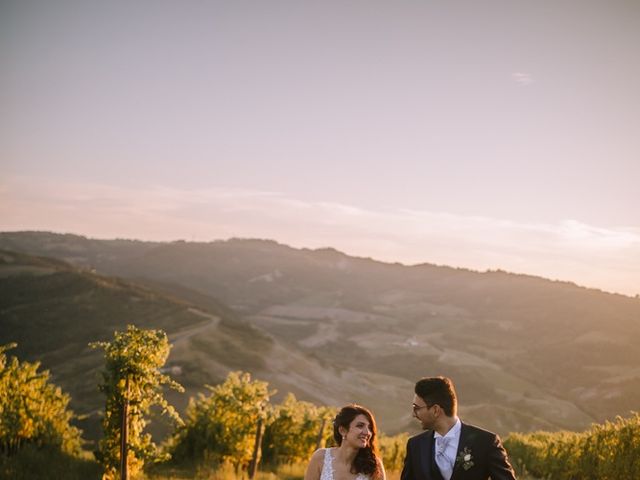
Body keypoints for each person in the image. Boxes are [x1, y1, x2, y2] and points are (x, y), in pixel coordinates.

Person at [401, 377, 516, 480]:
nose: (413, 414)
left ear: (436, 410)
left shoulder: (486, 442)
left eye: (417, 408)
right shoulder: (415, 445)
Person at [305, 404, 386, 480]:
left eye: (370, 428)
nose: (367, 432)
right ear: (342, 430)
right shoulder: (320, 457)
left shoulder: (375, 466)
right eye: (360, 426)